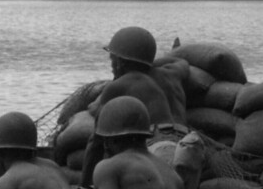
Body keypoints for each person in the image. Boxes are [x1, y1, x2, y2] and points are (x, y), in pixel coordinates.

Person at [73, 24, 186, 178]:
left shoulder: (118, 86)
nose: (111, 66)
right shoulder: (171, 75)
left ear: (120, 62)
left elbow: (96, 142)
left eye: (112, 59)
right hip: (186, 143)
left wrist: (85, 188)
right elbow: (181, 61)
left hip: (156, 147)